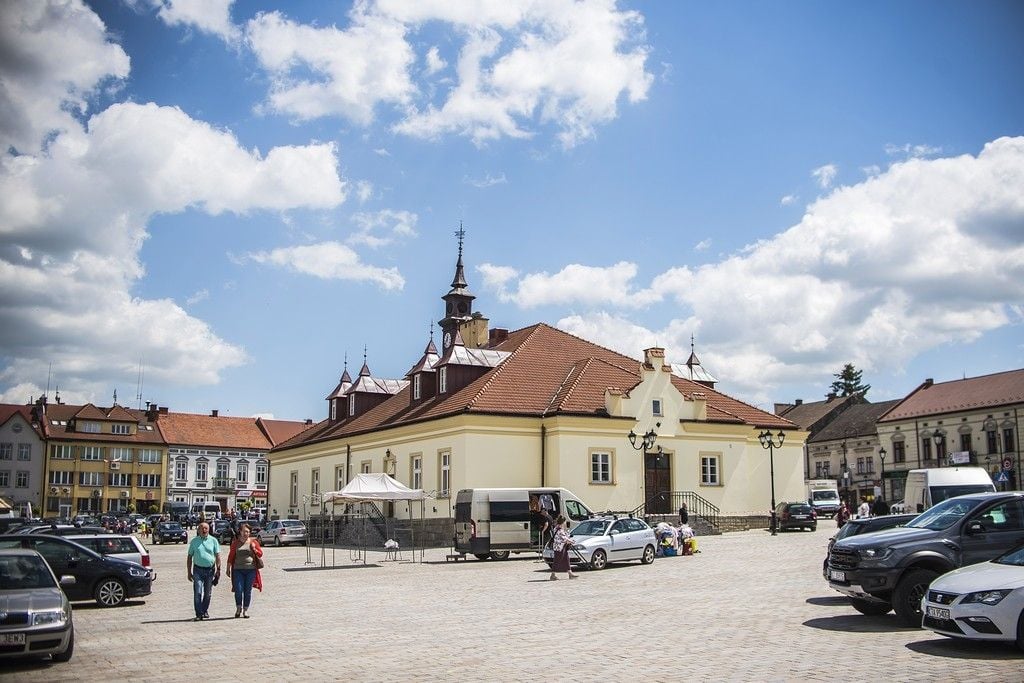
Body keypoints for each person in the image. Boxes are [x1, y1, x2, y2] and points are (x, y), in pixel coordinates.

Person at [226, 523, 263, 618]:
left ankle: (245, 610)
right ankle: (238, 607)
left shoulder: (253, 542)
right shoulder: (235, 543)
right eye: (244, 531)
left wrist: (255, 550)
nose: (246, 533)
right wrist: (228, 568)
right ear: (240, 532)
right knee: (238, 589)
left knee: (248, 590)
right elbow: (231, 556)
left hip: (251, 570)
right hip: (238, 570)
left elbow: (260, 554)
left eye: (248, 531)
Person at [186, 521, 221, 621]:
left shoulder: (213, 541)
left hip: (210, 570)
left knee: (207, 593)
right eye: (201, 528)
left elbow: (217, 556)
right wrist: (189, 572)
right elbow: (189, 557)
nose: (204, 530)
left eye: (206, 528)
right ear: (198, 530)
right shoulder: (194, 542)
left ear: (209, 529)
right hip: (198, 570)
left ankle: (204, 610)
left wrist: (218, 570)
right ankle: (199, 613)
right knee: (198, 592)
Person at [549, 515, 577, 580]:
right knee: (557, 561)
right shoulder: (560, 530)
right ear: (563, 522)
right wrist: (571, 541)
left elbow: (565, 536)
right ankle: (552, 575)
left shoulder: (556, 528)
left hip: (561, 547)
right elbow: (564, 538)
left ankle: (570, 574)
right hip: (559, 548)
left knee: (566, 559)